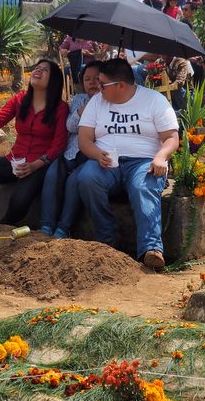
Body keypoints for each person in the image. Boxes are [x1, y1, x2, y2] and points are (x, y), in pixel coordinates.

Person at [77, 58, 179, 269]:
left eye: (103, 83)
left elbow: (171, 138)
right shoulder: (97, 102)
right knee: (87, 178)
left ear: (120, 85)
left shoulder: (154, 100)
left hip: (143, 162)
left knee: (143, 186)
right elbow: (84, 138)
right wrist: (97, 154)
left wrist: (161, 156)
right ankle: (108, 238)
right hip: (106, 163)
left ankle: (151, 249)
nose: (98, 87)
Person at [0, 60, 69, 225]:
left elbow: (59, 144)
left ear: (54, 80)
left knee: (19, 200)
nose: (38, 71)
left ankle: (3, 226)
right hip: (13, 162)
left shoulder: (60, 108)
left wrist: (35, 165)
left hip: (38, 167)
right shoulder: (20, 99)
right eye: (37, 68)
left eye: (45, 70)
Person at [40, 61, 101, 238]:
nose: (92, 82)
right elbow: (70, 126)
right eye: (87, 79)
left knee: (74, 181)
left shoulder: (109, 102)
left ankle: (63, 228)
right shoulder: (79, 100)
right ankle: (45, 225)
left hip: (90, 155)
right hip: (70, 152)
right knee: (52, 175)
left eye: (96, 78)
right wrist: (83, 110)